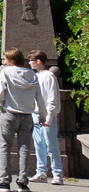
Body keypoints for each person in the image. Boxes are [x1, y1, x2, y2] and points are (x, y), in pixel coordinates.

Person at [0, 48, 47, 192]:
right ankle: (23, 182)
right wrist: (42, 114)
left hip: (9, 113)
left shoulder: (6, 72)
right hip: (27, 115)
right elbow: (39, 97)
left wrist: (0, 105)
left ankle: (4, 181)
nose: (4, 62)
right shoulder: (32, 75)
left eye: (6, 59)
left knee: (4, 146)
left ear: (12, 60)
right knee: (25, 148)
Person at [27, 50, 64, 185]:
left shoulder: (49, 76)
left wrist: (49, 116)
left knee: (51, 145)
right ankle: (41, 171)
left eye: (32, 60)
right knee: (39, 145)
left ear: (39, 61)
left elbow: (52, 98)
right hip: (36, 114)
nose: (30, 63)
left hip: (47, 115)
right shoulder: (35, 76)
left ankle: (57, 173)